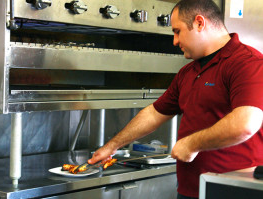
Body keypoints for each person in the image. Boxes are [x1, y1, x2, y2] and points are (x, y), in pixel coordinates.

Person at [88, 0, 263, 198]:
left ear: (199, 23)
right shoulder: (188, 72)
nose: (175, 41)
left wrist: (191, 144)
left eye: (177, 31)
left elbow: (246, 123)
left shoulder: (247, 63)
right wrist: (111, 147)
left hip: (232, 191)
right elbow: (155, 113)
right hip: (189, 190)